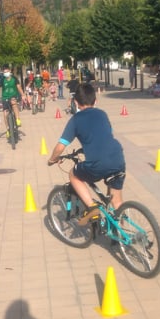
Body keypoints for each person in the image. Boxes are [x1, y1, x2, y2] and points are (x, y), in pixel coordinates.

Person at [48, 82, 125, 224]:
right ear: (95, 101)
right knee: (117, 202)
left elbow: (60, 146)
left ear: (76, 102)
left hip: (98, 163)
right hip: (118, 157)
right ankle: (122, 233)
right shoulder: (102, 114)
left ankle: (91, 207)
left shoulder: (75, 120)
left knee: (73, 174)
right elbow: (104, 136)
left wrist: (52, 159)